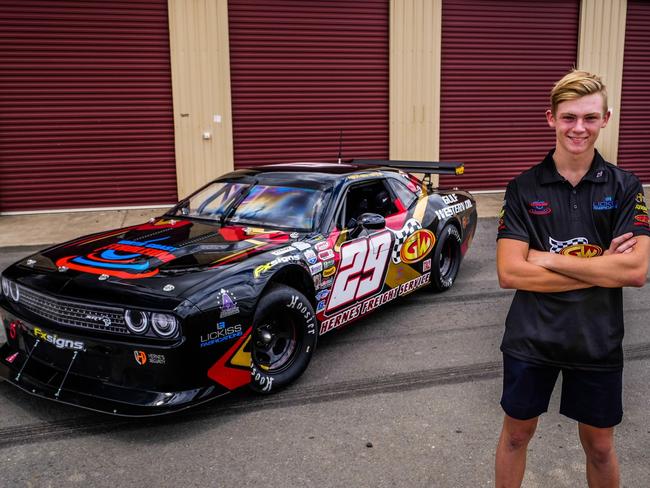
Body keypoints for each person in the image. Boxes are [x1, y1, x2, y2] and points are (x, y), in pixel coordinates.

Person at [494, 69, 650, 487]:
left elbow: (634, 272)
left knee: (599, 446)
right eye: (568, 117)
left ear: (606, 119)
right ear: (551, 118)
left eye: (589, 117)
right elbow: (510, 272)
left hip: (597, 340)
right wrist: (602, 267)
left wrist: (544, 259)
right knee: (516, 436)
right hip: (532, 338)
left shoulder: (626, 187)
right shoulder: (523, 188)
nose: (578, 128)